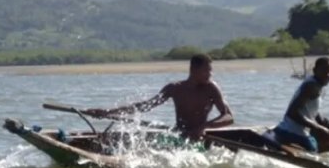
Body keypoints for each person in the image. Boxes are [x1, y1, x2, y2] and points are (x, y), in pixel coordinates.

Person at [83, 54, 233, 140]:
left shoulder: (211, 88)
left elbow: (228, 117)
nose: (210, 75)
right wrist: (107, 112)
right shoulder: (175, 88)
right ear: (194, 70)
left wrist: (204, 127)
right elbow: (144, 106)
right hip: (179, 135)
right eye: (207, 71)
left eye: (210, 71)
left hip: (200, 139)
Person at [272, 57, 329, 153]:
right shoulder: (311, 86)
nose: (327, 75)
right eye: (324, 71)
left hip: (288, 130)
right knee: (314, 151)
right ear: (315, 71)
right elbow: (292, 113)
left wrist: (320, 119)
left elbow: (308, 108)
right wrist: (318, 128)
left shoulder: (318, 85)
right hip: (293, 133)